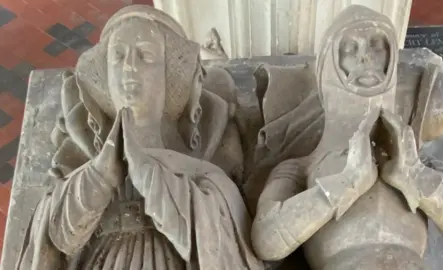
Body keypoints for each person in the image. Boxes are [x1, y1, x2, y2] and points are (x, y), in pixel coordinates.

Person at [16, 5, 262, 270]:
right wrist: (98, 177)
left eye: (145, 55)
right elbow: (53, 236)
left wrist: (149, 174)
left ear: (169, 74)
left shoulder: (203, 168)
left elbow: (223, 232)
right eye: (118, 56)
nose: (129, 66)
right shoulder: (85, 167)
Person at [250, 5, 443, 269]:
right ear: (328, 67)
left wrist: (416, 177)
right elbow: (266, 241)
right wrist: (345, 184)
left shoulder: (417, 160)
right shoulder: (301, 167)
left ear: (392, 58)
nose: (365, 58)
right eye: (349, 49)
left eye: (376, 46)